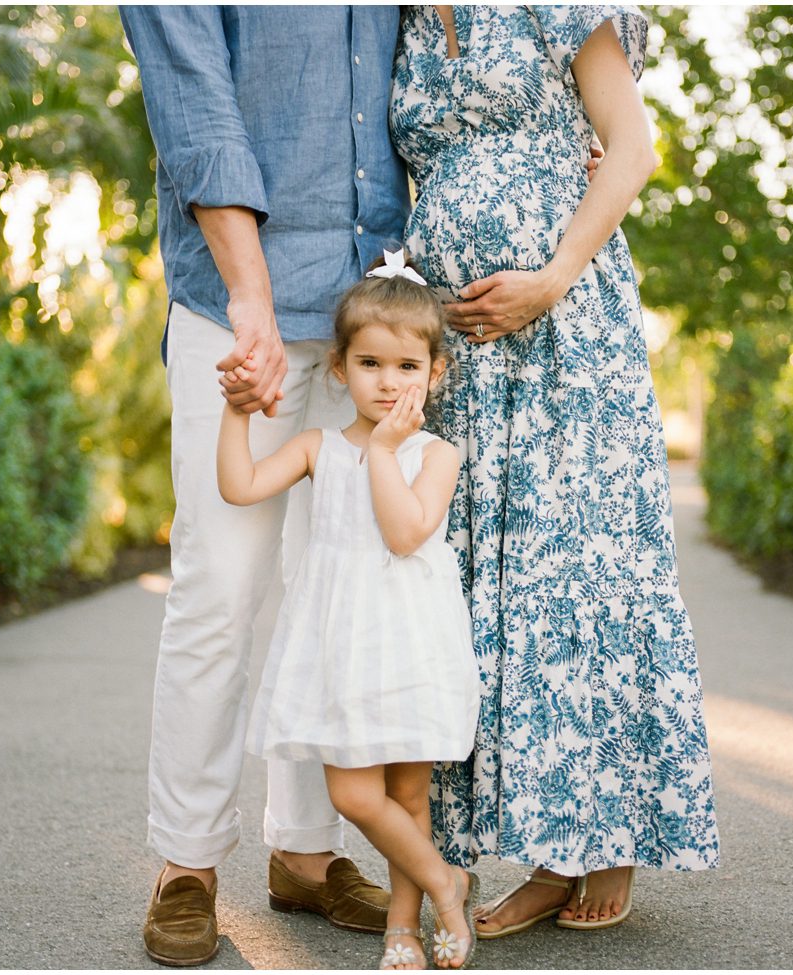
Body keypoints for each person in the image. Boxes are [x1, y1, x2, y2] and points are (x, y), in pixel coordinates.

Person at [389, 4, 721, 936]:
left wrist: (554, 274)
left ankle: (599, 843)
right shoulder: (402, 24)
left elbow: (632, 146)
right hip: (458, 345)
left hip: (566, 322)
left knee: (579, 562)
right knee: (484, 583)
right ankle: (544, 842)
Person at [117, 7, 409, 965]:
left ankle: (306, 853)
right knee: (221, 589)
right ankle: (187, 862)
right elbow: (197, 109)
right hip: (237, 305)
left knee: (337, 594)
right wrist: (251, 300)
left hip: (369, 314)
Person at [221, 254, 483, 970]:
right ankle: (444, 881)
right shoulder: (318, 448)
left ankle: (404, 924)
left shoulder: (435, 455)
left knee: (407, 792)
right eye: (370, 362)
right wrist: (236, 410)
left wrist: (388, 451)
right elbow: (241, 485)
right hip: (343, 646)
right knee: (354, 791)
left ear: (434, 372)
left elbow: (404, 533)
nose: (388, 380)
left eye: (406, 365)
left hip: (410, 640)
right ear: (340, 368)